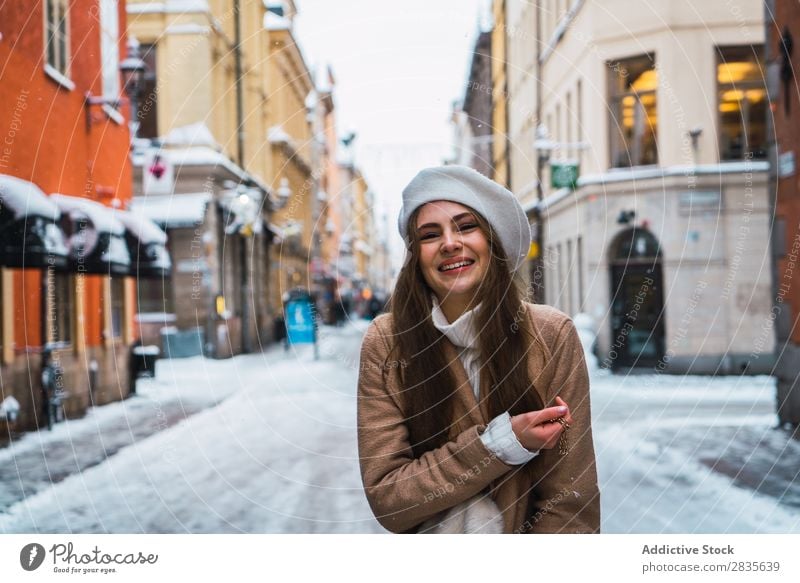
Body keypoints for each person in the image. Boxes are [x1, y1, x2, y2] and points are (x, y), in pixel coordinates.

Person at [357, 165, 600, 534]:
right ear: (416, 256)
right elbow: (390, 500)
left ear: (493, 241)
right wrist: (500, 444)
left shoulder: (552, 335)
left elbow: (569, 502)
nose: (450, 243)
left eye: (466, 226)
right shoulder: (386, 343)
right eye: (430, 234)